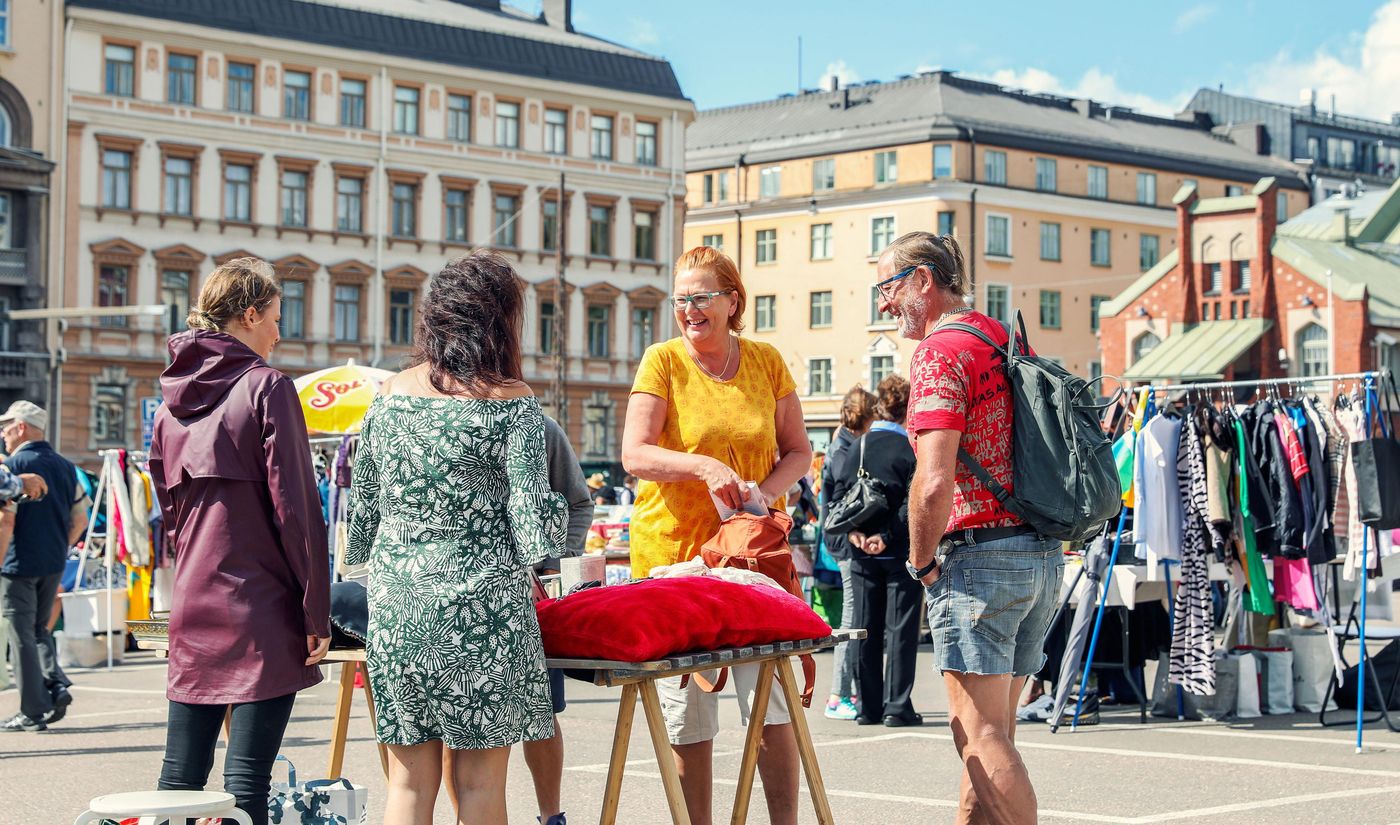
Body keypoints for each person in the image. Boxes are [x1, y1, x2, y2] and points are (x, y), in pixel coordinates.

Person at [347, 250, 566, 825]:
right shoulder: (511, 401)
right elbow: (533, 531)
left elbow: (363, 511)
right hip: (484, 613)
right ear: (501, 320)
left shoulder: (389, 396)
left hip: (398, 607)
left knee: (407, 785)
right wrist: (555, 511)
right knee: (479, 787)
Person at [621, 245, 813, 825]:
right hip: (677, 557)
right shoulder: (663, 361)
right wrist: (701, 466)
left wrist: (763, 495)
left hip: (751, 558)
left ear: (733, 301)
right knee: (688, 715)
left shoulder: (765, 361)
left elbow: (800, 452)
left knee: (772, 706)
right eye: (681, 299)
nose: (689, 310)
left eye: (701, 297)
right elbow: (634, 454)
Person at [877, 231, 1062, 825]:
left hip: (979, 558)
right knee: (992, 735)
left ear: (923, 280)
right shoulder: (1002, 338)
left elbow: (933, 481)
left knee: (979, 736)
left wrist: (921, 561)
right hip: (1037, 551)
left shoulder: (939, 352)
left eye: (887, 288)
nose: (883, 305)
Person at [149, 257, 331, 825]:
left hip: (194, 604)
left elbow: (171, 517)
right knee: (245, 788)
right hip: (260, 607)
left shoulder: (169, 403)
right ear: (249, 315)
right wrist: (316, 611)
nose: (281, 332)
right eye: (276, 317)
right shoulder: (268, 387)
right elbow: (298, 513)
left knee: (178, 779)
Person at [441, 413, 591, 825]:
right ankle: (465, 817)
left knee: (542, 714)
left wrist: (550, 566)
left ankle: (551, 817)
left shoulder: (536, 424)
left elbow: (578, 501)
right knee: (461, 723)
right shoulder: (438, 418)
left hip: (528, 599)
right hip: (458, 603)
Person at [832, 376, 923, 727]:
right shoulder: (910, 449)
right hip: (898, 549)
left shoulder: (858, 446)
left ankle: (868, 707)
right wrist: (886, 535)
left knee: (864, 629)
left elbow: (840, 495)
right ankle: (896, 707)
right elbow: (913, 503)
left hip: (861, 551)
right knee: (900, 630)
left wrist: (855, 533)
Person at [0, 401, 84, 733]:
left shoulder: (12, 466)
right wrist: (59, 547)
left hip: (16, 561)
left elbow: (6, 521)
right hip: (53, 560)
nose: (3, 435)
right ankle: (55, 683)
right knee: (38, 630)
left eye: (6, 428)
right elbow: (80, 519)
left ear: (21, 427)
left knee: (19, 635)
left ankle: (32, 710)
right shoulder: (66, 466)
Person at [819, 385, 876, 720]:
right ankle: (838, 694)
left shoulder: (842, 444)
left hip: (838, 541)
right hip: (844, 543)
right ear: (866, 417)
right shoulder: (845, 451)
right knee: (851, 620)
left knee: (853, 617)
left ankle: (846, 690)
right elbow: (844, 501)